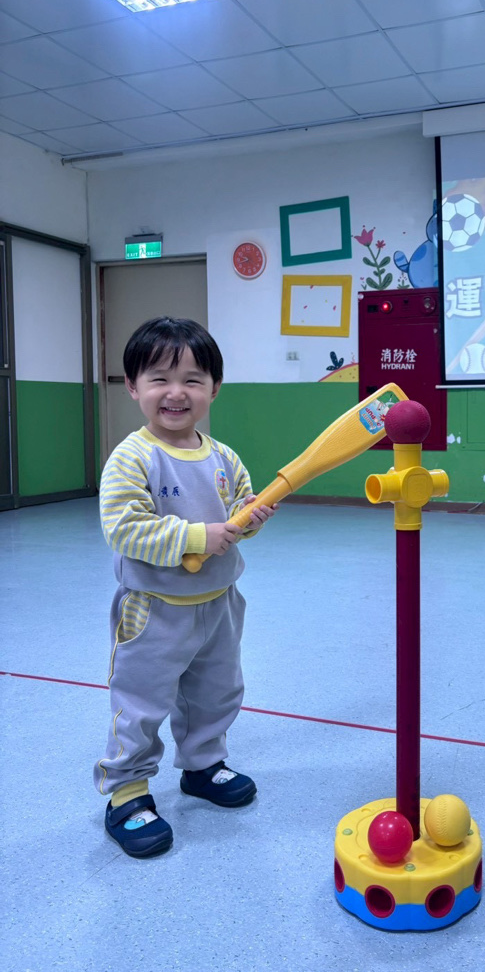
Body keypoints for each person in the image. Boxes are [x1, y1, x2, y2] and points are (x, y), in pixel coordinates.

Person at [94, 316, 277, 858]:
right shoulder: (133, 457)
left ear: (214, 388)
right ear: (133, 387)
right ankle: (126, 792)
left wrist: (249, 517)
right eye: (159, 378)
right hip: (153, 609)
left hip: (219, 604)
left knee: (216, 692)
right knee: (141, 702)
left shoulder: (223, 457)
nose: (176, 392)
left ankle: (202, 765)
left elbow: (238, 512)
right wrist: (199, 536)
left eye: (193, 379)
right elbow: (125, 528)